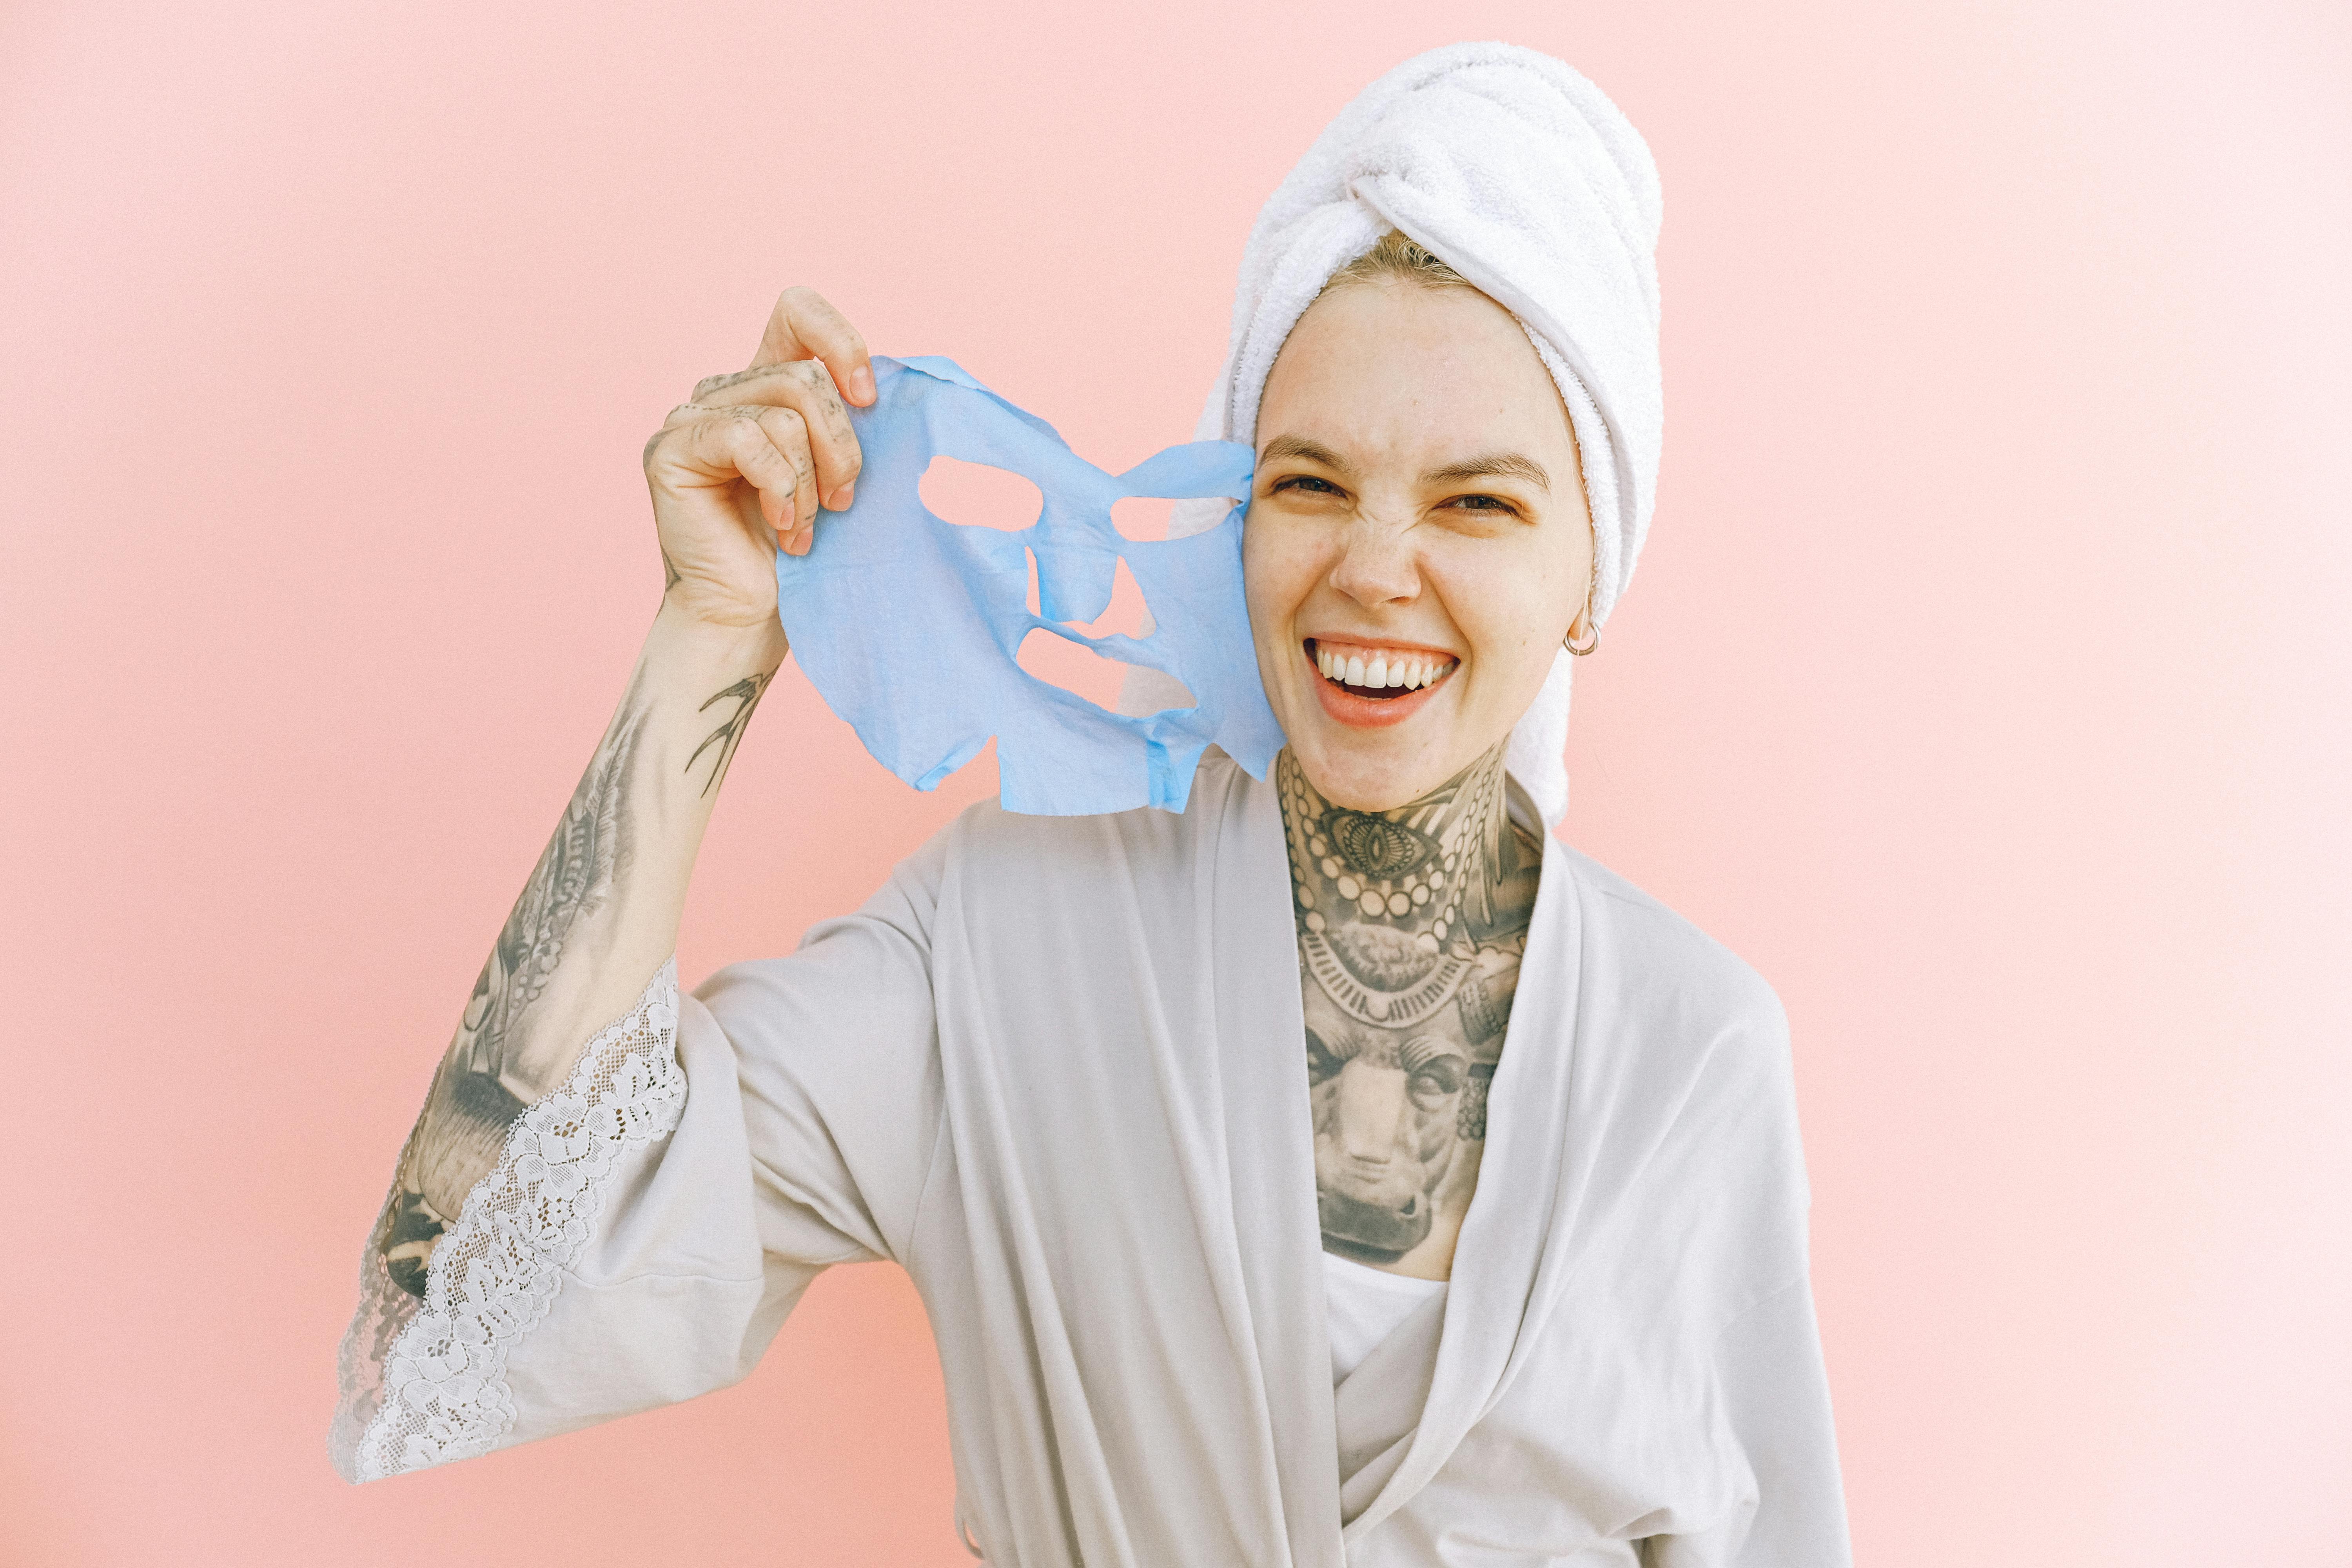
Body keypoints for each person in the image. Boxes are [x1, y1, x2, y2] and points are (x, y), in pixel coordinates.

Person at [334, 43, 1851, 1567]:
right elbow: (480, 1278)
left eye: (1479, 501)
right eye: (1309, 482)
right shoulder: (997, 937)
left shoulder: (1698, 1054)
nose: (1377, 567)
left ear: (1594, 565)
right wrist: (709, 638)